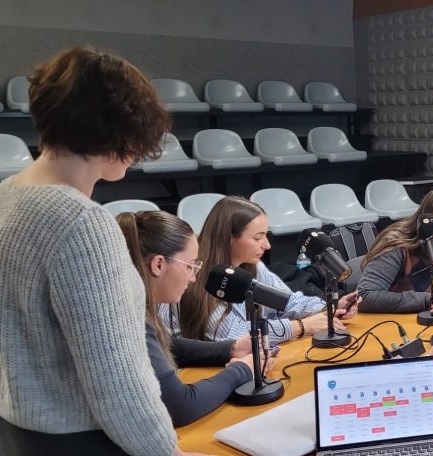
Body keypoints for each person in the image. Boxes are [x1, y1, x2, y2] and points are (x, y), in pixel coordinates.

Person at [0, 47, 191, 455]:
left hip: (19, 433)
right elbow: (119, 383)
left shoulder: (5, 197)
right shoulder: (82, 224)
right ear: (122, 129)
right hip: (86, 441)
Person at [117, 210, 273, 427]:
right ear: (158, 265)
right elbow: (182, 406)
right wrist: (242, 370)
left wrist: (231, 348)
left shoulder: (129, 304)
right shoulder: (129, 320)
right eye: (190, 266)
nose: (193, 278)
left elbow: (167, 345)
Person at [164, 196, 358, 342]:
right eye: (258, 238)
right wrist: (300, 326)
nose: (267, 245)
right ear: (229, 238)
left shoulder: (254, 266)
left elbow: (287, 301)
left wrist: (329, 307)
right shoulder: (197, 276)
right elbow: (234, 335)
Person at [357, 185, 433, 313]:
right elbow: (365, 296)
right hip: (396, 321)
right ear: (428, 227)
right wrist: (429, 300)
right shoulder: (396, 243)